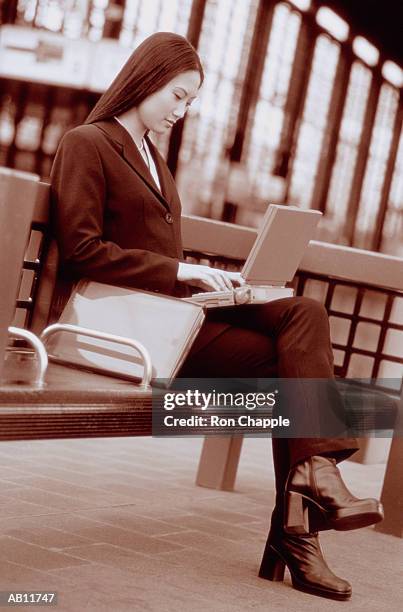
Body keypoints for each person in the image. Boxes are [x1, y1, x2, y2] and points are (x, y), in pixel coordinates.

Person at [50, 32, 383, 601]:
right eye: (178, 96)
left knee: (301, 315)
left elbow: (153, 253)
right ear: (147, 80)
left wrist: (221, 284)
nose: (182, 111)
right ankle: (301, 523)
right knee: (295, 371)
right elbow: (82, 249)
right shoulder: (89, 143)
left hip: (170, 317)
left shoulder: (154, 158)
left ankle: (310, 492)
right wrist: (181, 274)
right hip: (125, 331)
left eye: (190, 102)